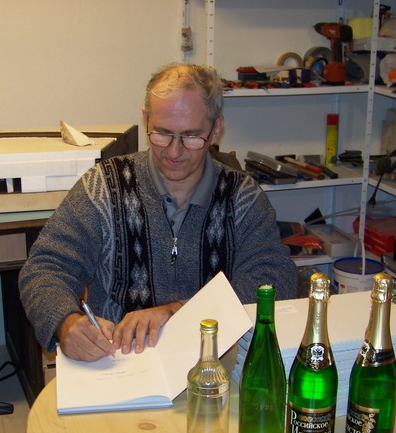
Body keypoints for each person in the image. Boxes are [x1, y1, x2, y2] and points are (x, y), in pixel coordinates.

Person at [19, 62, 297, 362]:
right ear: (146, 119)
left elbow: (274, 281)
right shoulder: (103, 187)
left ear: (216, 128)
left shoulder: (242, 197)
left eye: (191, 136)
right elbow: (45, 267)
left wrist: (181, 311)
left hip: (211, 361)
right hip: (119, 360)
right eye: (162, 133)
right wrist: (66, 322)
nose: (174, 152)